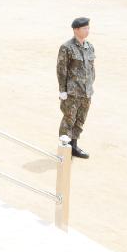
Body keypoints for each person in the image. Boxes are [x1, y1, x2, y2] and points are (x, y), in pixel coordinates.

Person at [57, 17, 94, 159]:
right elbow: (62, 70)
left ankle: (74, 146)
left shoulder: (89, 46)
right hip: (72, 92)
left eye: (88, 28)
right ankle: (63, 148)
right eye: (85, 28)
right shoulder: (67, 47)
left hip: (86, 92)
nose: (88, 30)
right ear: (76, 30)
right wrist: (62, 90)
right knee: (69, 120)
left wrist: (90, 86)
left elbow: (91, 69)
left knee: (80, 120)